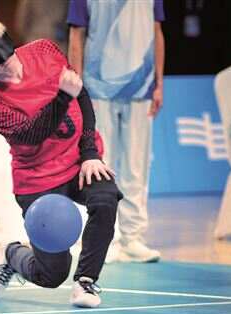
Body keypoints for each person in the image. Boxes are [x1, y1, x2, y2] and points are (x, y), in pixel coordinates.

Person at [0, 18, 121, 308]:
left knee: (105, 196)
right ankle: (11, 254)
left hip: (78, 162)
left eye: (8, 57)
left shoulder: (44, 50)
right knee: (51, 275)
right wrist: (62, 96)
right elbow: (32, 134)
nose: (8, 67)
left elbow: (81, 95)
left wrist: (90, 153)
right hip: (38, 181)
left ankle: (85, 281)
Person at [67, 0, 165, 263]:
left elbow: (156, 30)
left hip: (141, 86)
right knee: (99, 164)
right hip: (98, 86)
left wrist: (158, 83)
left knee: (136, 166)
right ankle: (101, 239)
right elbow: (76, 33)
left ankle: (133, 238)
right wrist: (76, 85)